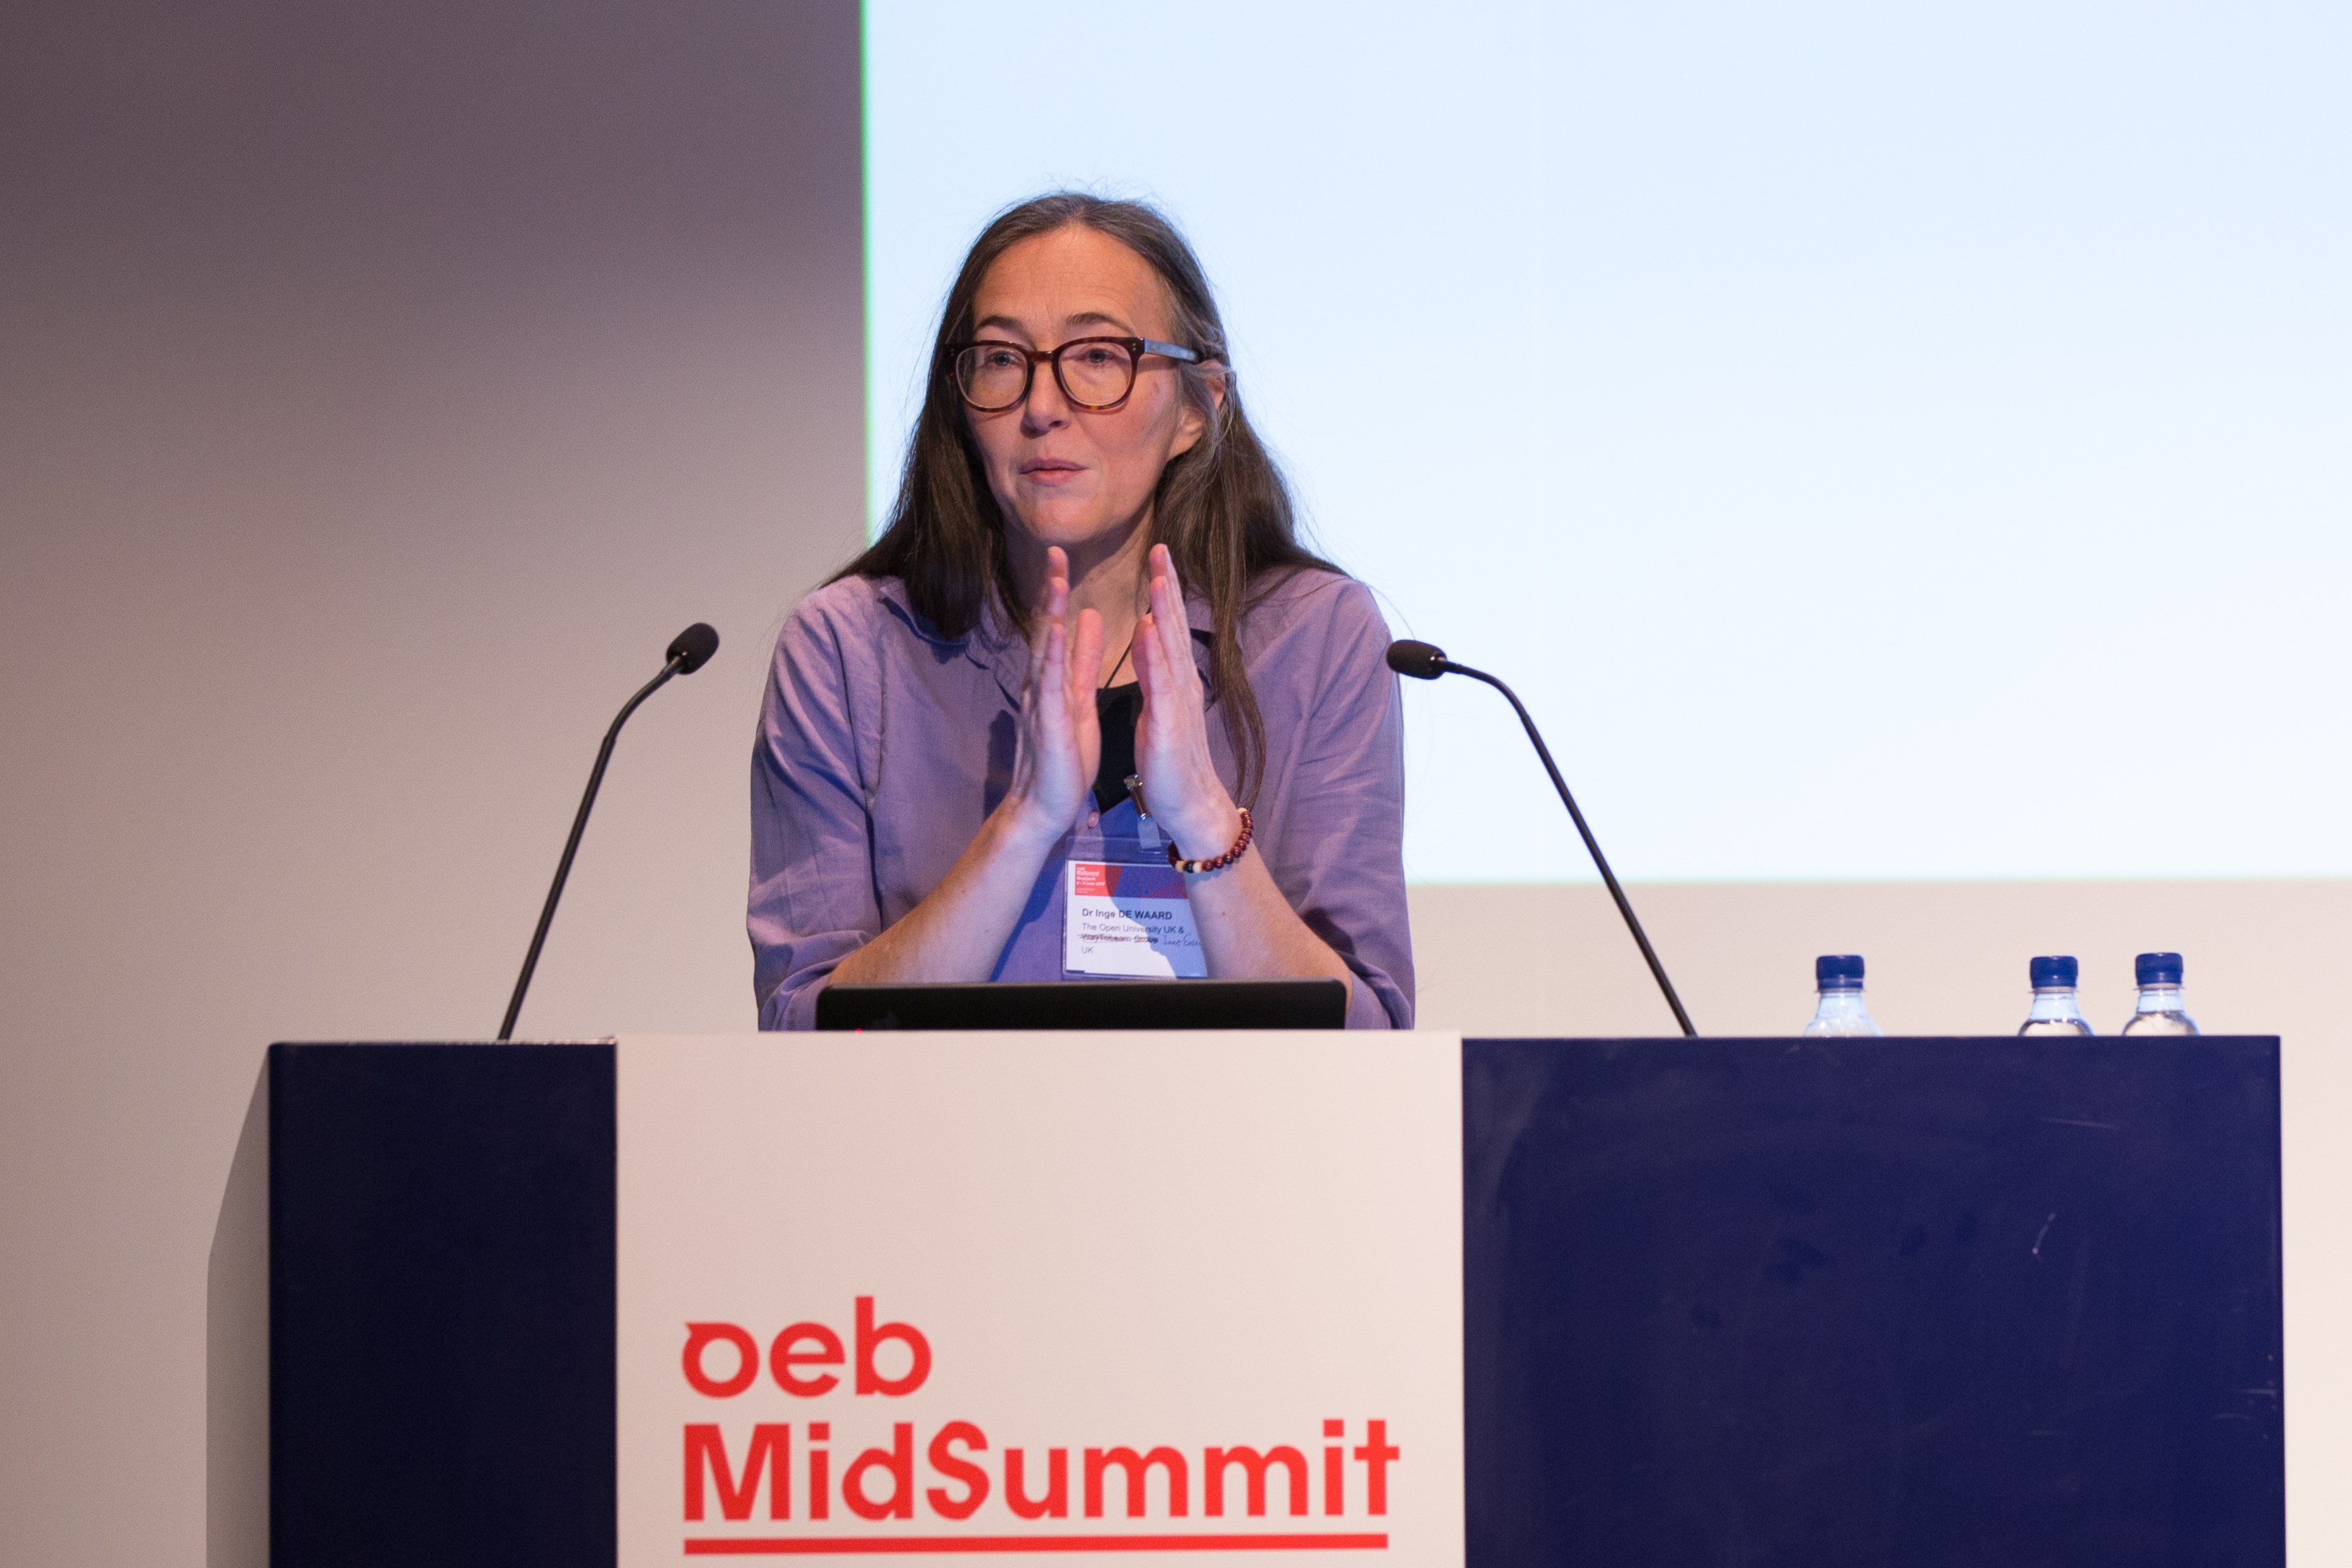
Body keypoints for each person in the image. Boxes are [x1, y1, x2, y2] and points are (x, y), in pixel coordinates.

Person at [750, 193, 1411, 1028]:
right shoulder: (846, 652)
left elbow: (1371, 1039)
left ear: (1198, 407)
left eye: (1098, 356)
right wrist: (1024, 822)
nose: (1042, 405)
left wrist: (1203, 818)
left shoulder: (1319, 638)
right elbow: (803, 1031)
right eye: (1001, 358)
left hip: (1230, 1118)